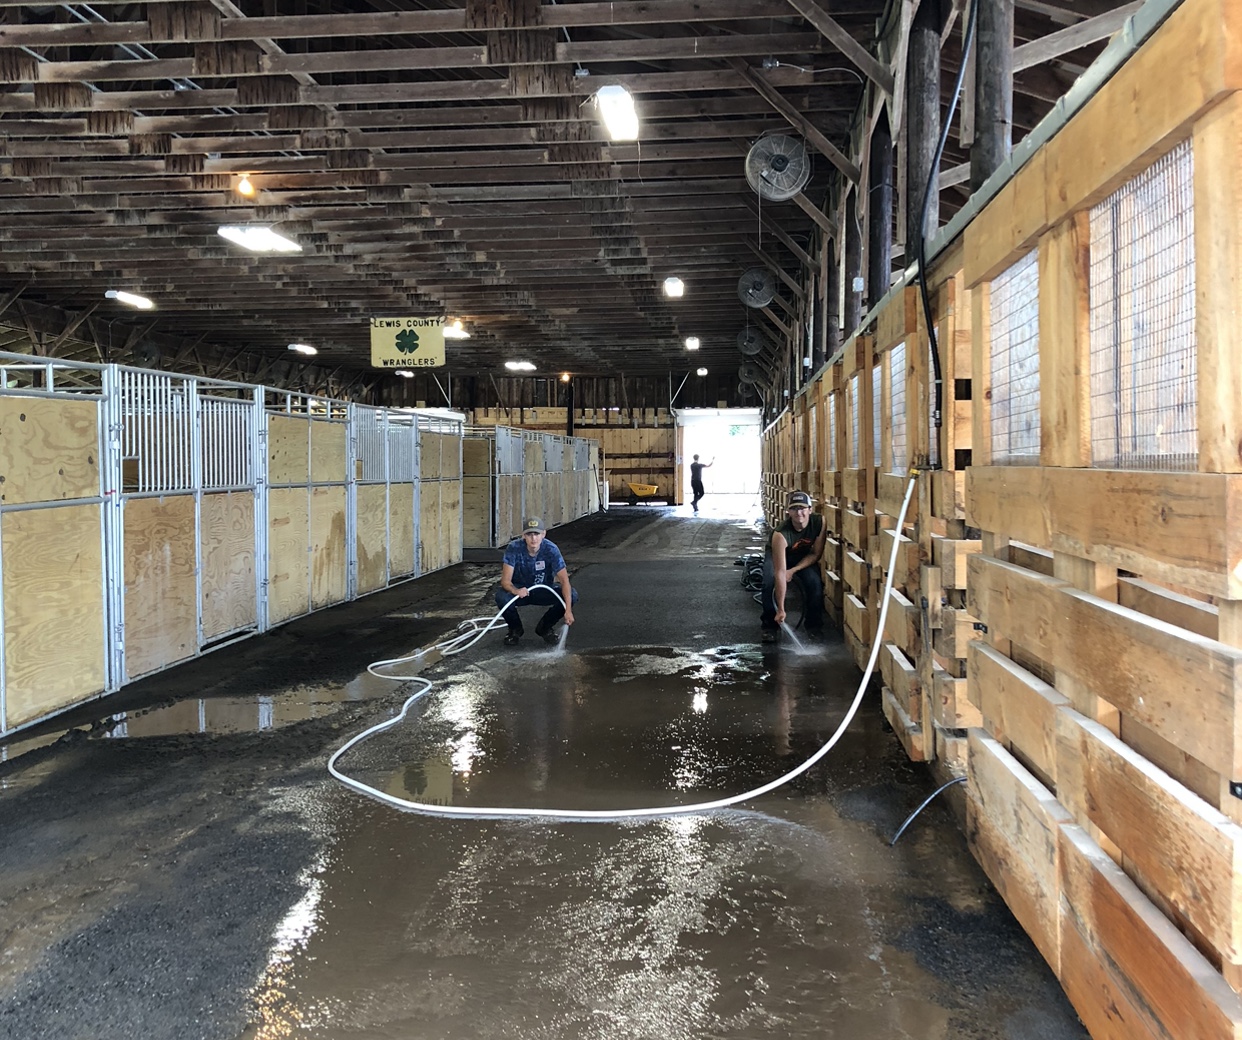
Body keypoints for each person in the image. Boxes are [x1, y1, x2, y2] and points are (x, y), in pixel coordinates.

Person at [496, 517, 577, 646]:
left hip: (543, 590)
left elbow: (564, 580)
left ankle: (545, 627)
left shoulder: (551, 549)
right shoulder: (514, 548)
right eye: (529, 534)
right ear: (523, 535)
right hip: (520, 592)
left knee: (572, 595)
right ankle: (515, 630)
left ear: (543, 534)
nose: (533, 538)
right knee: (501, 597)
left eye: (537, 534)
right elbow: (505, 581)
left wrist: (568, 610)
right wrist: (515, 590)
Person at [761, 490, 826, 644]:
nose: (799, 513)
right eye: (795, 509)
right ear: (788, 512)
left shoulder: (819, 522)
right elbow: (780, 572)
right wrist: (781, 609)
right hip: (779, 554)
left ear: (810, 509)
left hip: (803, 556)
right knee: (768, 583)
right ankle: (770, 626)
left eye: (803, 508)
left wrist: (794, 570)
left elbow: (815, 555)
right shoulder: (780, 534)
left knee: (815, 583)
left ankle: (814, 627)